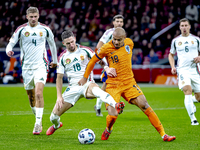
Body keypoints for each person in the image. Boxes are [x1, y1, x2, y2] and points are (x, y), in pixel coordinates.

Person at [79, 27, 176, 142]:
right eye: (114, 39)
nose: (115, 42)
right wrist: (85, 78)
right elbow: (92, 61)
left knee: (145, 105)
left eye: (119, 40)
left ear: (124, 38)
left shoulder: (129, 43)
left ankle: (163, 134)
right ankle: (108, 129)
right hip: (113, 84)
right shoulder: (106, 47)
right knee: (113, 114)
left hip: (129, 83)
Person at [46, 30, 125, 136]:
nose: (71, 44)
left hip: (87, 83)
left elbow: (99, 59)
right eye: (68, 43)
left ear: (74, 39)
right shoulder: (62, 57)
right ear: (64, 43)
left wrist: (106, 68)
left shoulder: (85, 50)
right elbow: (59, 78)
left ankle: (116, 105)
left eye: (72, 41)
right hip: (72, 88)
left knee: (97, 91)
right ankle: (56, 125)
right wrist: (59, 96)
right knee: (53, 117)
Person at [5, 7, 58, 134]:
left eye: (35, 16)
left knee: (39, 93)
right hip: (26, 67)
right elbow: (11, 43)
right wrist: (8, 50)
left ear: (38, 16)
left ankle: (38, 123)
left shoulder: (45, 29)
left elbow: (52, 44)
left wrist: (55, 60)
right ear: (27, 17)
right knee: (31, 96)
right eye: (31, 16)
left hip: (41, 65)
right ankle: (37, 117)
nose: (33, 19)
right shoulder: (21, 29)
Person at [168, 18, 200, 125]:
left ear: (190, 26)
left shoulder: (196, 39)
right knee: (187, 89)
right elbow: (171, 54)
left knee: (199, 97)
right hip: (182, 70)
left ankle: (192, 101)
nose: (184, 28)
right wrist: (173, 66)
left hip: (195, 70)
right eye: (182, 26)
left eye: (186, 25)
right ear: (179, 27)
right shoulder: (176, 41)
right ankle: (193, 119)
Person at [94, 14, 124, 117]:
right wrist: (104, 64)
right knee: (106, 85)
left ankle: (110, 105)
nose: (119, 23)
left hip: (118, 64)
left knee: (111, 85)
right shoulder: (109, 32)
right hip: (109, 64)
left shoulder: (122, 34)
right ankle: (102, 106)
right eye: (117, 21)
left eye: (121, 21)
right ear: (113, 22)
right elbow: (99, 46)